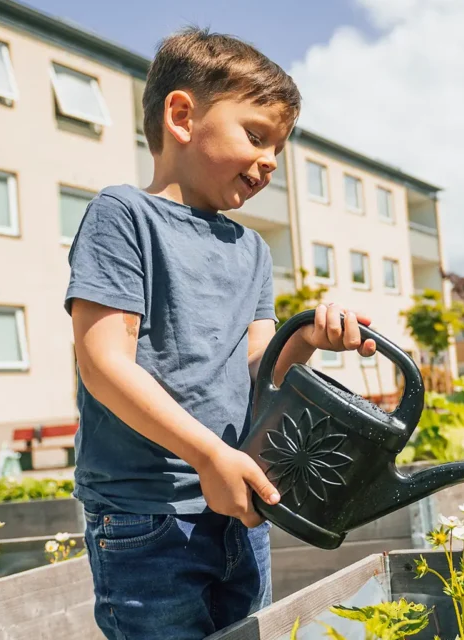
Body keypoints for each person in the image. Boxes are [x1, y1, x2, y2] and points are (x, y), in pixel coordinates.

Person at [65, 28, 376, 639]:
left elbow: (260, 365)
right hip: (148, 514)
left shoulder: (252, 248)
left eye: (277, 150)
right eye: (256, 136)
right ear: (181, 116)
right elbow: (103, 364)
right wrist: (208, 454)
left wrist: (307, 337)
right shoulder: (123, 216)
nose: (268, 162)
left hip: (239, 501)